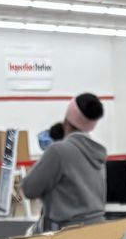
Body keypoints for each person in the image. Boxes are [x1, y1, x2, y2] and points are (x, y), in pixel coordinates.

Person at [20, 94, 107, 231]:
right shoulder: (97, 152)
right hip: (97, 229)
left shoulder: (58, 151)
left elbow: (29, 189)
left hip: (67, 234)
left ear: (67, 120)